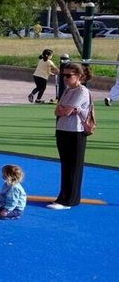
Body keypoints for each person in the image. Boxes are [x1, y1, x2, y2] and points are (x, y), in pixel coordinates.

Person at [50, 63, 94, 210]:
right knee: (65, 164)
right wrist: (65, 109)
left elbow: (66, 111)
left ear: (79, 76)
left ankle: (70, 200)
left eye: (69, 75)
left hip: (76, 131)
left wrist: (66, 109)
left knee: (74, 166)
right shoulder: (68, 90)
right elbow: (57, 111)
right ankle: (63, 196)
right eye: (64, 75)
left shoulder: (82, 91)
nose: (65, 78)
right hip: (63, 129)